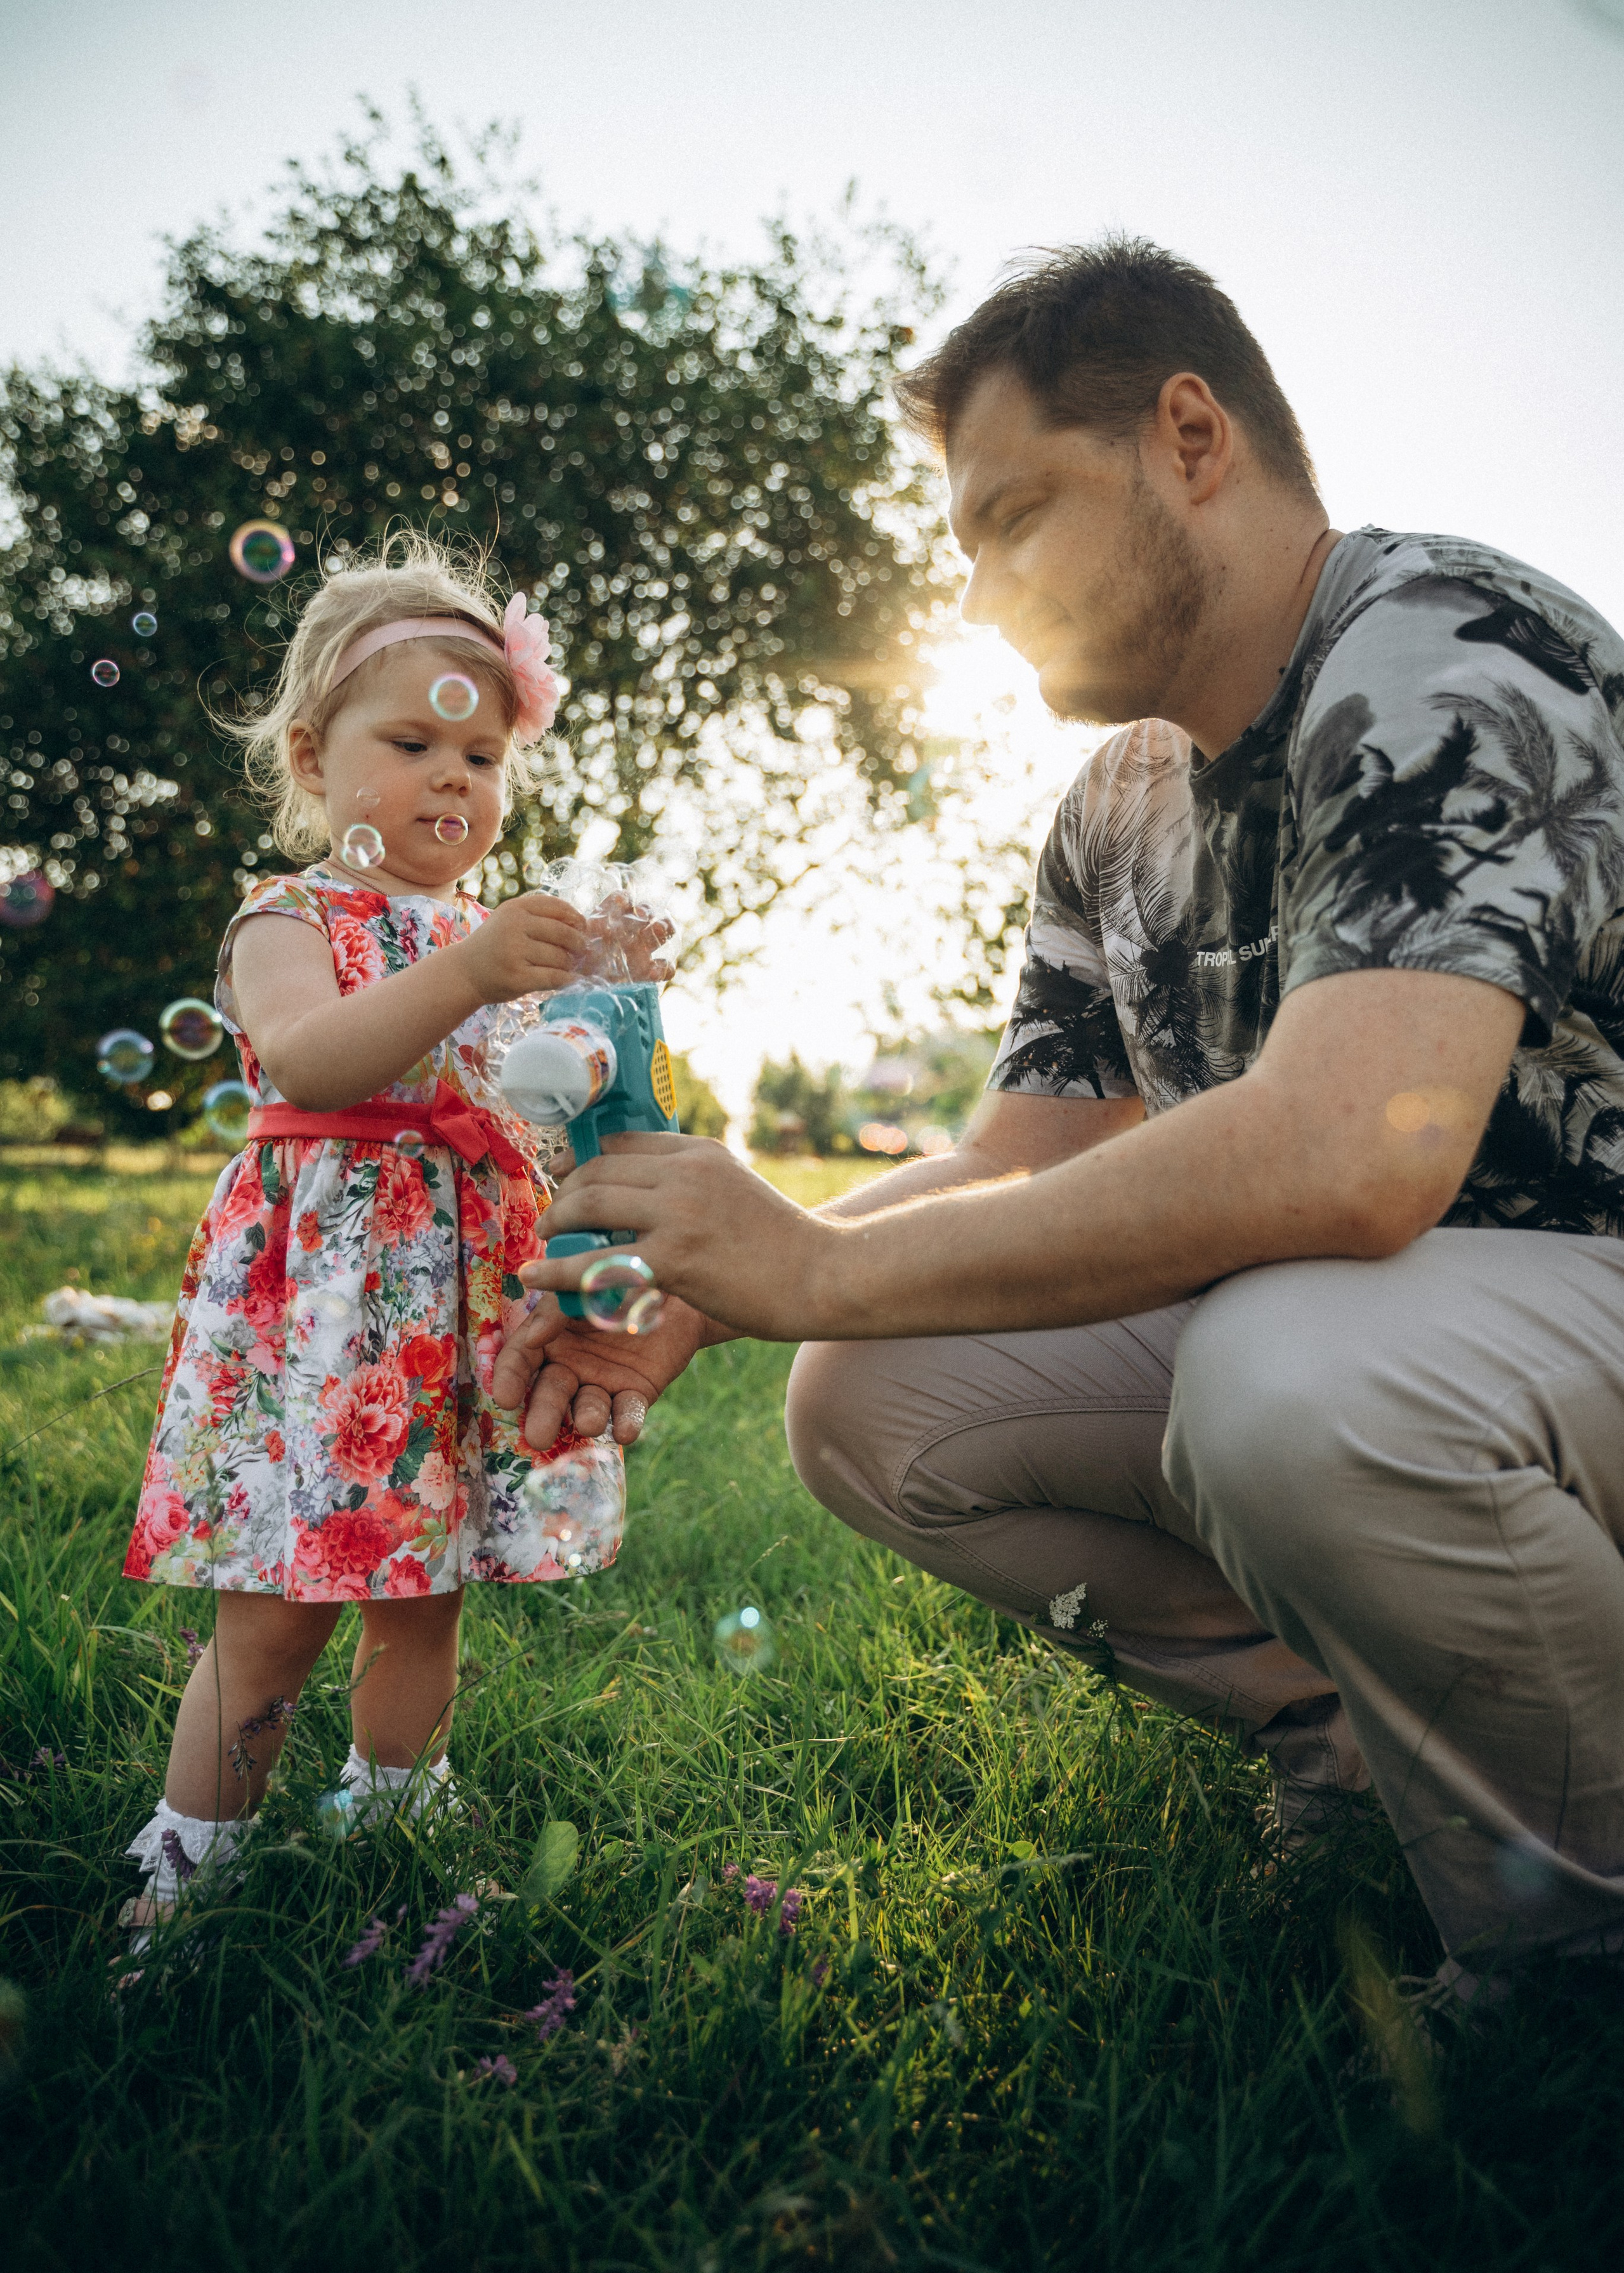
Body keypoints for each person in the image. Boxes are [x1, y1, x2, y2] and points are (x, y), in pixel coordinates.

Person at [495, 240, 1624, 2005]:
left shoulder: (1439, 651)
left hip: (1576, 1299)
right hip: (1445, 1351)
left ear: (1191, 437)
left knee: (1295, 1370)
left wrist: (821, 1262)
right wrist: (718, 1286)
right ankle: (1338, 1735)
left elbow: (1356, 1154)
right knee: (872, 1394)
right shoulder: (1123, 797)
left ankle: (1575, 1943)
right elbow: (1030, 1159)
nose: (973, 595)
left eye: (1013, 515)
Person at [119, 539, 627, 1963]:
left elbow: (547, 1102)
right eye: (411, 740)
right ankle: (188, 1867)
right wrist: (466, 972)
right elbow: (313, 1055)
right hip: (325, 1323)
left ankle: (393, 1813)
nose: (454, 776)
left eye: (483, 749)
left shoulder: (489, 936)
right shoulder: (290, 919)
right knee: (278, 1611)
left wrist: (599, 1015)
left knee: (429, 1594)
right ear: (312, 753)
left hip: (452, 1309)